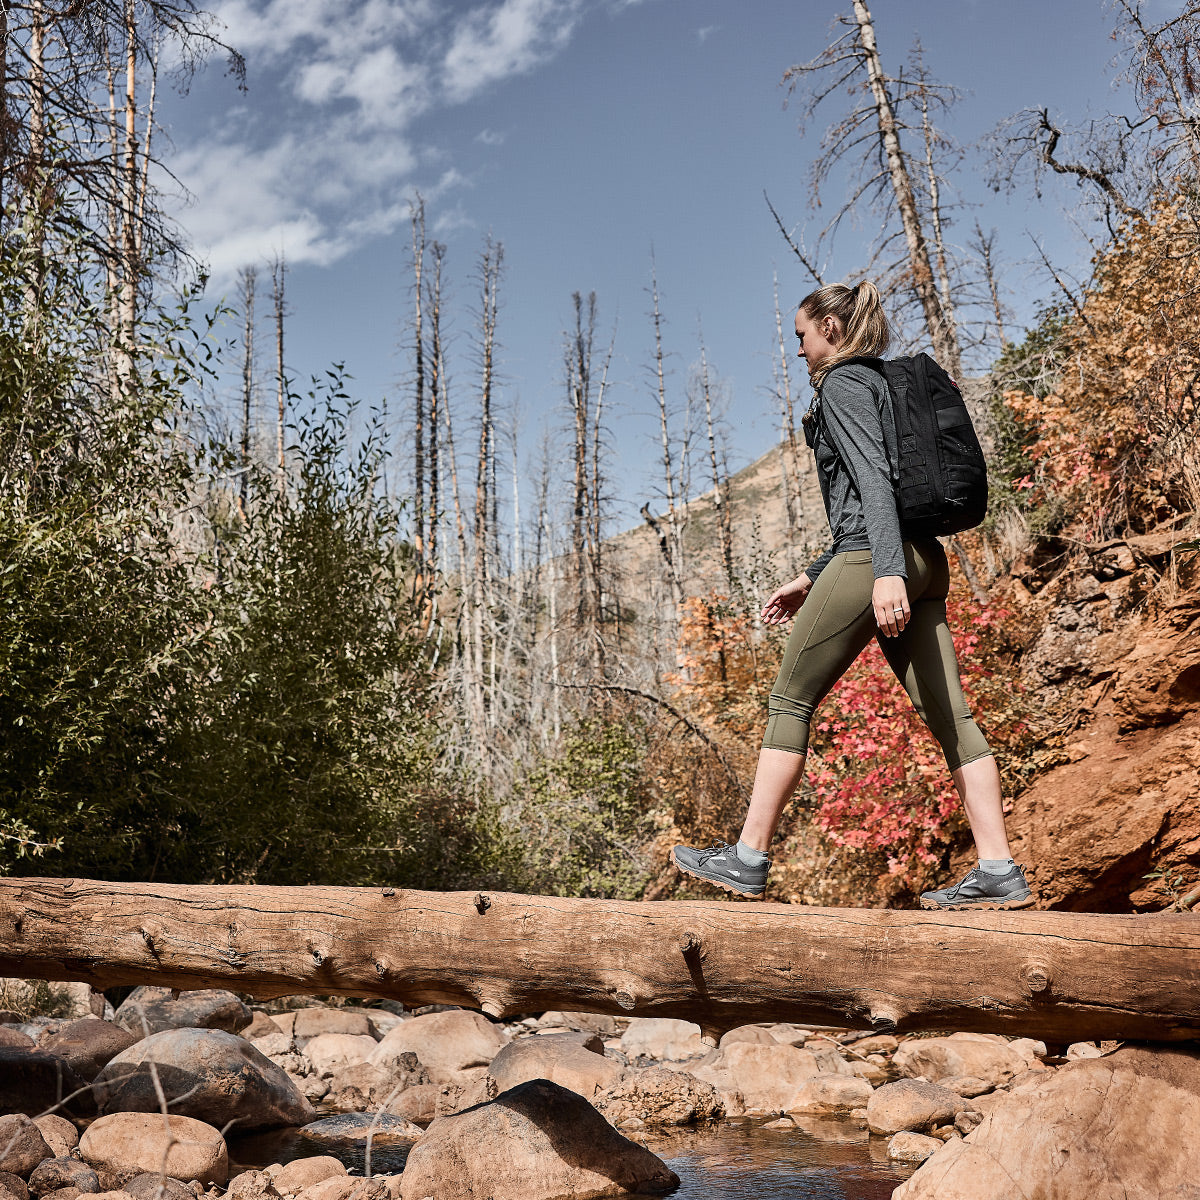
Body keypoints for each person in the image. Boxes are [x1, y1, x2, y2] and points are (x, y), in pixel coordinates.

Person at [672, 281, 1033, 911]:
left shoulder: (841, 385)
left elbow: (871, 483)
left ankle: (748, 857)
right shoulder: (883, 385)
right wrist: (816, 573)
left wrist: (885, 573)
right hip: (924, 559)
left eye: (804, 336)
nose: (801, 350)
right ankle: (999, 868)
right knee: (954, 719)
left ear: (832, 330)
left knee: (790, 697)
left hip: (879, 559)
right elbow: (879, 492)